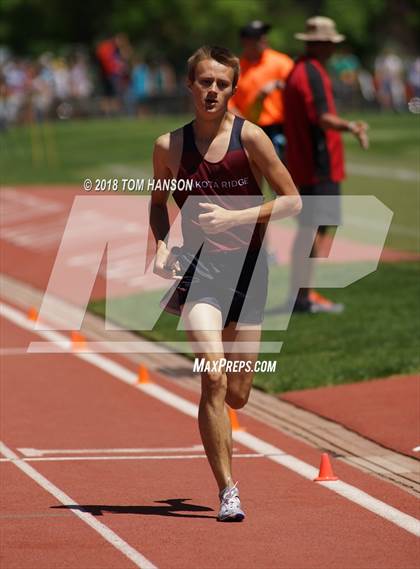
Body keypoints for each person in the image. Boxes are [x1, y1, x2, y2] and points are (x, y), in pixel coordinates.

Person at [150, 45, 301, 521]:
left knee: (237, 393)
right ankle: (228, 490)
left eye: (221, 83)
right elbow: (157, 204)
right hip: (200, 277)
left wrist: (238, 214)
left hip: (251, 274)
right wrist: (160, 242)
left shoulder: (251, 138)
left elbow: (293, 200)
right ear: (189, 85)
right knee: (212, 378)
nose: (212, 90)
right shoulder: (168, 147)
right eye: (204, 82)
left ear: (234, 88)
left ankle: (228, 435)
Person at [283, 16, 369, 313]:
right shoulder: (311, 73)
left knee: (313, 228)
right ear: (320, 44)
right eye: (330, 44)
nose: (333, 49)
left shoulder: (301, 70)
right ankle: (304, 296)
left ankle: (302, 294)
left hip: (308, 162)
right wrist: (351, 126)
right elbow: (321, 116)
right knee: (314, 229)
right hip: (317, 164)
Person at [229, 20, 294, 158]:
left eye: (264, 35)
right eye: (258, 37)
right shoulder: (235, 68)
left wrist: (281, 86)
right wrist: (244, 125)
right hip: (246, 128)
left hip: (278, 127)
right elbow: (228, 102)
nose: (264, 39)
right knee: (250, 175)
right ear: (245, 42)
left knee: (283, 172)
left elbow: (295, 90)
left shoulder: (282, 62)